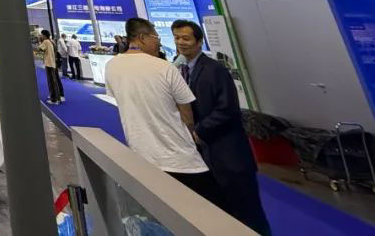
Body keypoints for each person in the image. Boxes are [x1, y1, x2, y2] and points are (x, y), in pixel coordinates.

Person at [172, 20, 271, 235]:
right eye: (177, 38)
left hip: (229, 155)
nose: (180, 42)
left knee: (247, 212)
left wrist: (200, 131)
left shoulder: (214, 70)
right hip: (204, 155)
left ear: (199, 41)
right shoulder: (179, 69)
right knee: (220, 211)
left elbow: (227, 109)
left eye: (186, 38)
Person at [105, 17, 219, 203]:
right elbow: (187, 115)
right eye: (156, 37)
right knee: (206, 209)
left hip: (142, 155)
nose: (159, 42)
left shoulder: (111, 66)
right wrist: (193, 133)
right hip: (181, 159)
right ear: (142, 38)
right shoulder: (164, 67)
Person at [39, 30, 64, 104]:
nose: (40, 36)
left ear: (44, 35)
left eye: (41, 35)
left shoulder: (46, 41)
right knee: (55, 81)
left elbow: (39, 49)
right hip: (53, 63)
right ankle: (59, 96)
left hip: (49, 64)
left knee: (52, 82)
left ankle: (54, 99)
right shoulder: (51, 41)